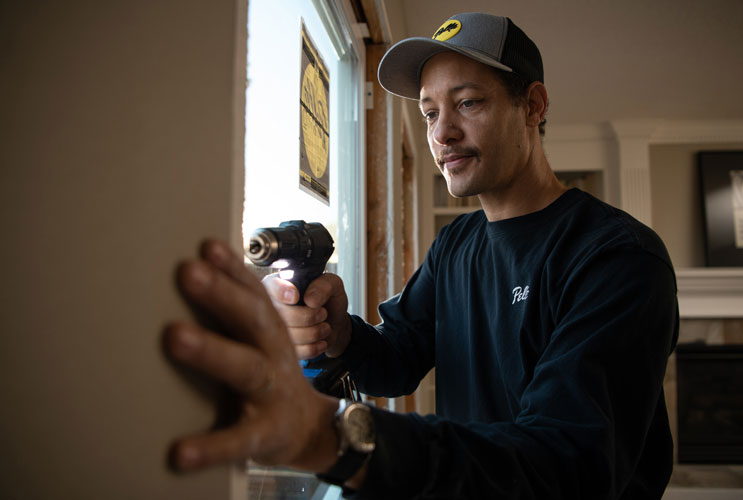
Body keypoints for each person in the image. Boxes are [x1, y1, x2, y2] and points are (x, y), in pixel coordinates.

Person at [165, 12, 679, 499]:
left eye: (469, 103)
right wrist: (339, 333)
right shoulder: (457, 245)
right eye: (430, 112)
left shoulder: (616, 258)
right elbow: (397, 359)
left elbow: (568, 467)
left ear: (533, 105)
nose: (441, 133)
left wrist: (334, 438)